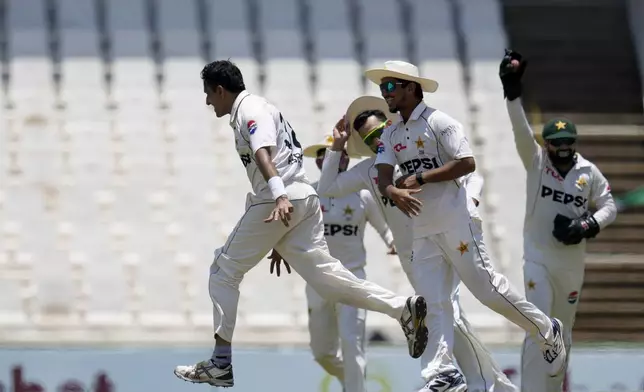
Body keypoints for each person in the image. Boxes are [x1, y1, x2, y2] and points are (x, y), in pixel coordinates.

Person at [172, 60, 429, 388]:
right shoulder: (257, 108)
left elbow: (263, 152)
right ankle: (402, 308)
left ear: (221, 90)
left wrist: (279, 197)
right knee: (328, 280)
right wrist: (281, 237)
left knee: (222, 271)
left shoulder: (250, 109)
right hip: (303, 199)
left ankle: (220, 363)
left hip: (279, 197)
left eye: (209, 94)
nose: (208, 102)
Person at [368, 60, 567, 392]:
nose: (384, 93)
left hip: (456, 221)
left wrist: (419, 177)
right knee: (432, 303)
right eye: (382, 87)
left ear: (411, 88)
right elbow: (383, 172)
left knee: (487, 291)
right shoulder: (391, 131)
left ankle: (547, 331)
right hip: (422, 228)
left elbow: (466, 163)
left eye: (390, 86)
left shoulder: (439, 122)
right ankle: (441, 375)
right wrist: (392, 191)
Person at [315, 95, 518, 392]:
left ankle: (468, 381)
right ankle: (489, 385)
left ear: (390, 126)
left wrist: (471, 202)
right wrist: (337, 145)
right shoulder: (371, 170)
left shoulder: (418, 150)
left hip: (443, 242)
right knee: (448, 317)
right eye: (369, 138)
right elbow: (328, 187)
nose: (377, 140)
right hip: (413, 256)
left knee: (448, 314)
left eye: (380, 131)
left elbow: (468, 171)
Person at [499, 50, 617, 392]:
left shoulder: (587, 172)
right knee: (539, 324)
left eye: (568, 142)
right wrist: (512, 92)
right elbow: (520, 129)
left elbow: (607, 205)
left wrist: (587, 226)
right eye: (556, 143)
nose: (562, 148)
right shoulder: (536, 163)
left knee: (562, 332)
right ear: (547, 144)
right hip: (537, 257)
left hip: (570, 263)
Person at [268, 136, 396, 392]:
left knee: (352, 343)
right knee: (322, 353)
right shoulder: (308, 194)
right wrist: (279, 247)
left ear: (346, 158)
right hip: (318, 281)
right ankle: (351, 380)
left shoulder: (362, 195)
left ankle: (354, 385)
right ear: (316, 161)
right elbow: (288, 230)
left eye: (335, 154)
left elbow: (386, 229)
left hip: (352, 279)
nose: (328, 159)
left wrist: (394, 243)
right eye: (321, 154)